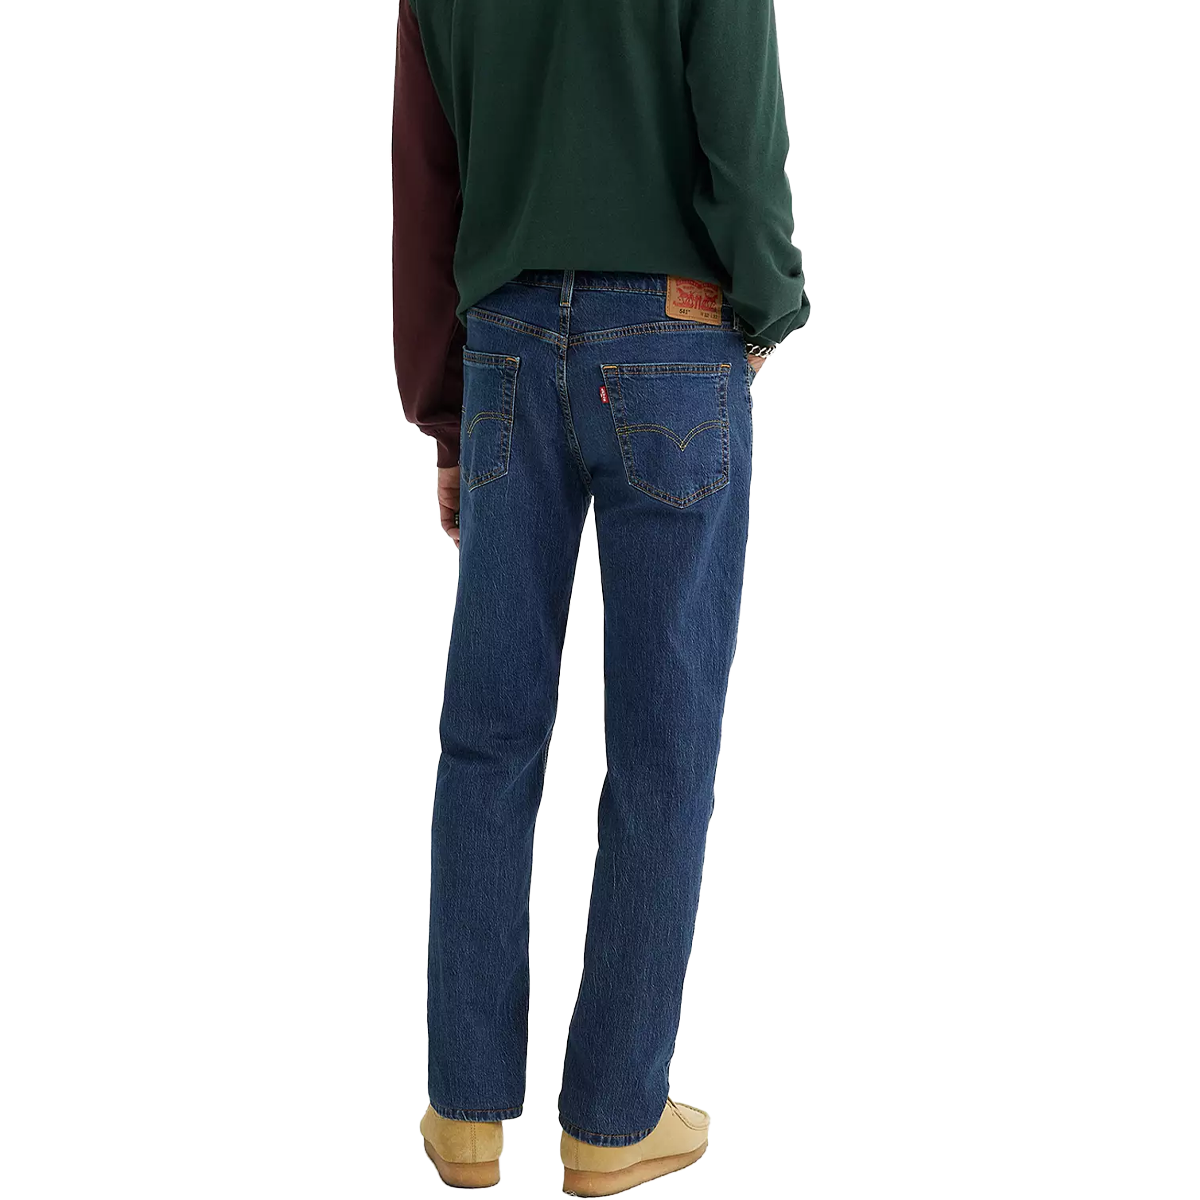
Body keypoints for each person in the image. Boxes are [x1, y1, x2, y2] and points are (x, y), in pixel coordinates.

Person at [392, 0, 809, 1193]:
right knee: (663, 738)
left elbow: (426, 179)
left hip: (503, 345)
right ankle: (613, 1121)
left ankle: (466, 1114)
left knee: (487, 735)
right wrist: (770, 301)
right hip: (673, 335)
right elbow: (741, 134)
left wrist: (443, 411)